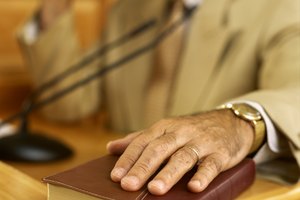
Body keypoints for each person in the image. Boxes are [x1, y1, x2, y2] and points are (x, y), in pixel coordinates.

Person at [17, 0, 300, 196]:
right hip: (117, 185)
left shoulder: (281, 8)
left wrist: (237, 123)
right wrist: (56, 6)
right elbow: (66, 104)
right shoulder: (131, 9)